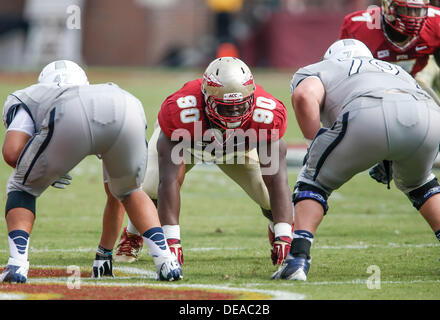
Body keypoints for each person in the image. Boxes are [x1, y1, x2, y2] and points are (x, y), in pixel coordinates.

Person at [272, 39, 440, 281]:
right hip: (425, 116)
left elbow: (304, 96)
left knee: (313, 182)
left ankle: (297, 261)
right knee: (421, 183)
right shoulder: (395, 71)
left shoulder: (322, 68)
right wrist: (400, 154)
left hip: (366, 111)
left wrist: (314, 143)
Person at [0, 60, 182, 283]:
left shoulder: (32, 95)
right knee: (129, 190)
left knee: (21, 188)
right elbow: (114, 195)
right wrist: (104, 254)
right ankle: (166, 262)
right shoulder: (100, 91)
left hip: (70, 114)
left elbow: (11, 153)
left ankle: (17, 265)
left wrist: (43, 168)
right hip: (128, 105)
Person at [110, 57, 293, 267]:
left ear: (251, 98)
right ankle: (133, 235)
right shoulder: (181, 112)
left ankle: (279, 234)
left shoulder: (267, 114)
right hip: (188, 144)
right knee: (150, 186)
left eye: (240, 106)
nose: (234, 114)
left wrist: (284, 235)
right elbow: (169, 181)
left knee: (269, 195)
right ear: (207, 99)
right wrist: (172, 241)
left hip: (236, 149)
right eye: (225, 107)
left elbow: (278, 179)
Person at [339, 0, 440, 172]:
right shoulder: (361, 26)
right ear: (388, 7)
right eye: (406, 10)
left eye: (417, 12)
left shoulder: (437, 22)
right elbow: (346, 75)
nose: (413, 18)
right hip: (371, 88)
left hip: (413, 84)